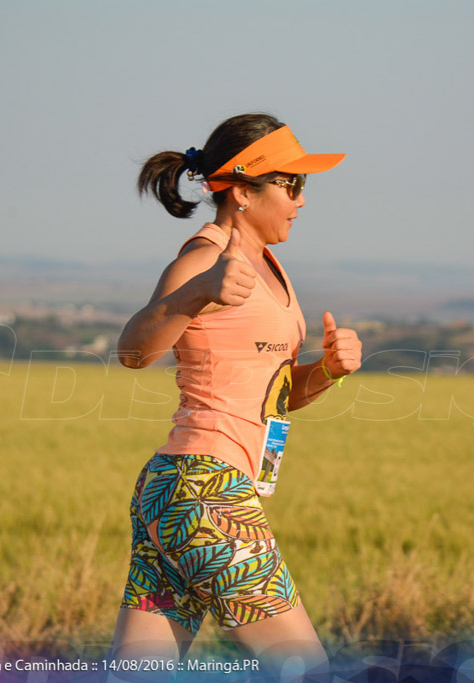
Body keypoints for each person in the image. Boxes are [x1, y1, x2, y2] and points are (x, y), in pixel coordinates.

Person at [109, 113, 362, 678]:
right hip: (206, 493)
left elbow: (276, 396)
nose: (301, 199)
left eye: (304, 186)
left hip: (179, 493)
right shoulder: (205, 258)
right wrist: (197, 291)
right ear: (244, 190)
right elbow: (133, 351)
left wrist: (329, 371)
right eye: (291, 184)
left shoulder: (270, 267)